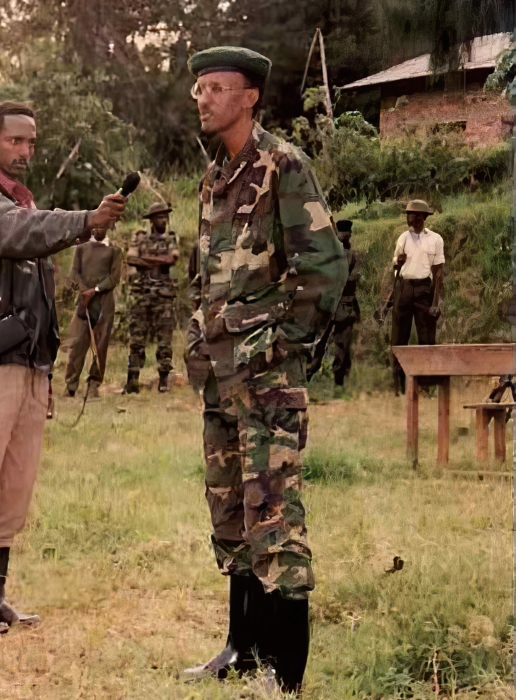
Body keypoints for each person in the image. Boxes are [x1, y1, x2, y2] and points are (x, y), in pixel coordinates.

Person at [181, 47, 347, 693]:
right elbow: (207, 276)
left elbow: (324, 264)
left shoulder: (283, 165)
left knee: (273, 515)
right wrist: (200, 337)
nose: (204, 99)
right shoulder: (214, 177)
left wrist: (279, 345)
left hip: (266, 380)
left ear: (249, 96)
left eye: (217, 88)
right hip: (220, 378)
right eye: (199, 89)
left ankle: (286, 673)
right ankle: (240, 649)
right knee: (230, 511)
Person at [0, 101, 127, 636]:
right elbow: (16, 233)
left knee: (15, 485)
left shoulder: (26, 205)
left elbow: (33, 255)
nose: (25, 151)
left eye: (31, 142)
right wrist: (84, 221)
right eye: (14, 141)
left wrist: (45, 367)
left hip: (28, 363)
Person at [62, 225, 123, 398]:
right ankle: (71, 385)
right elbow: (75, 272)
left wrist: (95, 290)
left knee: (100, 345)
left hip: (104, 303)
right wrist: (84, 291)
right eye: (95, 226)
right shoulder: (82, 248)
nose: (98, 230)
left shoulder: (114, 250)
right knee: (77, 344)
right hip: (84, 302)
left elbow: (114, 278)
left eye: (101, 227)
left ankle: (93, 385)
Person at [390, 199, 444, 394]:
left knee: (426, 338)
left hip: (423, 289)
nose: (409, 218)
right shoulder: (403, 238)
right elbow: (395, 266)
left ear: (422, 217)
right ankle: (399, 386)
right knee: (398, 338)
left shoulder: (435, 239)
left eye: (413, 215)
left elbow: (438, 273)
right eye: (408, 215)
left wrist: (436, 302)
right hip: (404, 288)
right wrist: (397, 263)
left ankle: (427, 385)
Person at [126, 201, 180, 394]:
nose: (163, 220)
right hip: (142, 293)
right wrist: (158, 261)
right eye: (159, 217)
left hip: (163, 294)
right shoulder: (140, 238)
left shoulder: (170, 238)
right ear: (152, 220)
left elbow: (172, 259)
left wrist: (145, 260)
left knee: (164, 339)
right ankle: (132, 380)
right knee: (137, 338)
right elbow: (131, 259)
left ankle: (163, 380)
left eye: (165, 217)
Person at [330, 219, 362, 389]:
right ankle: (338, 378)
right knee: (337, 344)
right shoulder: (340, 254)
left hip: (343, 305)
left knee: (342, 344)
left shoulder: (348, 255)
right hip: (333, 304)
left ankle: (339, 379)